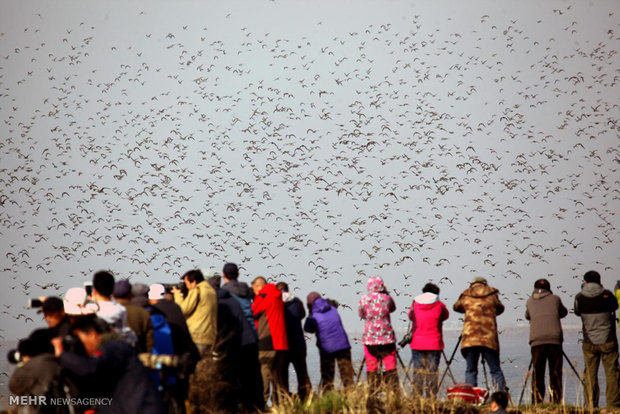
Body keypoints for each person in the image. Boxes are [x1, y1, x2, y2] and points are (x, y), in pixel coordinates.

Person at [52, 315, 166, 414]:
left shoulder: (112, 348)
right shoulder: (112, 350)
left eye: (80, 339)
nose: (80, 345)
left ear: (92, 334)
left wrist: (62, 354)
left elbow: (89, 368)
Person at [220, 264, 264, 411]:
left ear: (224, 275)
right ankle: (258, 406)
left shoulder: (224, 293)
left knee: (237, 375)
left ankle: (241, 406)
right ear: (238, 274)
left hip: (236, 336)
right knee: (254, 374)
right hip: (252, 334)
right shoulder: (247, 290)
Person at [574, 270, 620, 408]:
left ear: (585, 282)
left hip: (589, 341)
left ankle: (591, 404)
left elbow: (577, 311)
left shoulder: (579, 298)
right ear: (599, 281)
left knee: (589, 374)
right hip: (608, 340)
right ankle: (613, 405)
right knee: (612, 373)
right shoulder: (607, 295)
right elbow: (615, 306)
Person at [453, 277, 506, 392]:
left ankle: (471, 399)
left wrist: (469, 309)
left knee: (471, 370)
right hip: (488, 338)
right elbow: (501, 308)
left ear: (472, 284)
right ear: (485, 284)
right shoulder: (492, 294)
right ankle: (500, 397)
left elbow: (456, 307)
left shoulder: (466, 295)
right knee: (495, 370)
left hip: (470, 338)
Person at [525, 279, 567, 404]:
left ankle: (537, 401)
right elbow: (563, 312)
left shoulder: (529, 301)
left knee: (538, 372)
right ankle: (556, 400)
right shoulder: (555, 299)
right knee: (555, 372)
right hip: (554, 340)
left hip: (537, 341)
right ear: (549, 289)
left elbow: (528, 316)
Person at [304, 291, 354, 391]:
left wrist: (310, 313)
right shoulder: (332, 308)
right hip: (343, 346)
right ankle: (352, 397)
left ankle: (329, 397)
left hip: (327, 349)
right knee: (347, 376)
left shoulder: (313, 315)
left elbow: (307, 328)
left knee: (327, 378)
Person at [251, 276, 289, 404]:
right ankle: (279, 402)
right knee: (277, 375)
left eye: (254, 289)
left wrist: (257, 297)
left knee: (265, 371)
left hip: (268, 339)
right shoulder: (277, 295)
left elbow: (253, 311)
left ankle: (262, 401)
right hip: (281, 341)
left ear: (258, 287)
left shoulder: (264, 296)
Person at [408, 282, 449, 398]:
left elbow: (410, 316)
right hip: (434, 343)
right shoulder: (440, 305)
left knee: (418, 371)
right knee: (432, 372)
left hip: (417, 343)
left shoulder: (415, 304)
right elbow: (445, 316)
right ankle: (431, 398)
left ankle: (417, 397)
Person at [358, 276, 398, 390]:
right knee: (390, 366)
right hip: (387, 339)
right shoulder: (387, 298)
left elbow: (361, 314)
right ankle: (394, 392)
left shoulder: (364, 299)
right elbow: (393, 308)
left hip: (370, 340)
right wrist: (385, 292)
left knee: (371, 367)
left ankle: (372, 393)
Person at [276, 282, 312, 400]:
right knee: (302, 373)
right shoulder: (297, 301)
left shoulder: (276, 303)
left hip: (284, 344)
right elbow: (302, 315)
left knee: (282, 374)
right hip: (299, 343)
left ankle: (286, 400)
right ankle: (305, 398)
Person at [172, 269, 217, 355]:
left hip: (197, 336)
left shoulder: (197, 290)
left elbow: (182, 309)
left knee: (193, 365)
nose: (186, 286)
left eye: (186, 283)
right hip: (210, 337)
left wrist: (177, 295)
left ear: (193, 282)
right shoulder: (211, 291)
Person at [92, 271, 137, 346]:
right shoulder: (121, 309)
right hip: (119, 347)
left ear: (95, 290)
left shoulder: (92, 310)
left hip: (98, 348)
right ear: (113, 290)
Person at [114, 279, 154, 353]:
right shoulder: (142, 313)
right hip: (137, 355)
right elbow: (150, 341)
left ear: (113, 295)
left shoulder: (106, 311)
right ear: (131, 294)